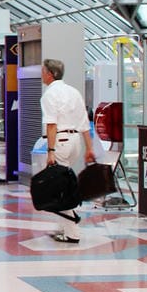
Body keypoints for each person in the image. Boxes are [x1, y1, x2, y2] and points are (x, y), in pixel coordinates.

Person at [41, 58, 96, 243]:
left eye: (43, 71)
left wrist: (50, 151)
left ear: (51, 74)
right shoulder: (74, 92)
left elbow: (51, 125)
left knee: (60, 187)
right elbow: (84, 123)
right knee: (64, 183)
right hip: (75, 142)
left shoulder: (49, 94)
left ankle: (72, 231)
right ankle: (63, 226)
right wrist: (89, 148)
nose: (42, 74)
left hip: (61, 141)